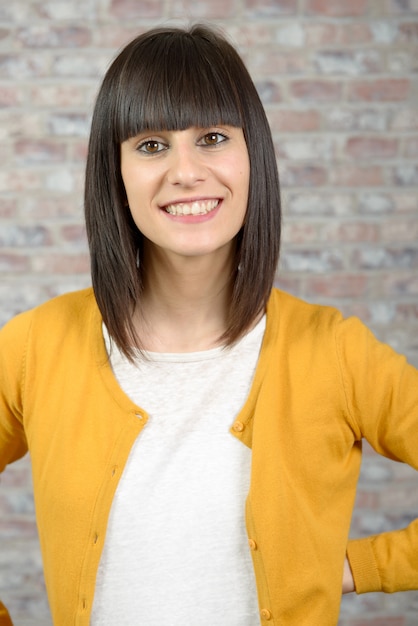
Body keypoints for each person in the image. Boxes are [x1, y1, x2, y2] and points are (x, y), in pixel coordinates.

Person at [0, 23, 417, 626]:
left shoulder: (334, 352)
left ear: (254, 157)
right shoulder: (36, 346)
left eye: (213, 137)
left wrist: (354, 567)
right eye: (151, 145)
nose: (186, 171)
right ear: (113, 172)